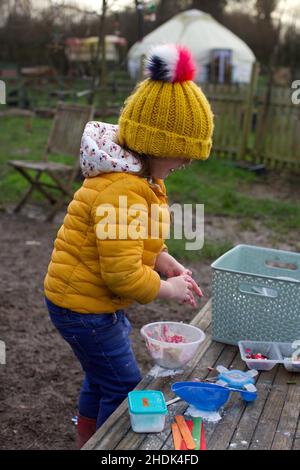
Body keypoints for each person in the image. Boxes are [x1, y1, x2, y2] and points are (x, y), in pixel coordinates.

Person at [44, 44, 214, 448]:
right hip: (83, 308)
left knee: (100, 375)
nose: (185, 163)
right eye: (182, 153)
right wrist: (165, 289)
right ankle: (106, 448)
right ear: (155, 143)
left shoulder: (141, 181)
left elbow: (129, 239)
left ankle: (87, 437)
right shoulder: (124, 190)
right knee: (122, 384)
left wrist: (162, 259)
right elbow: (120, 272)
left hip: (91, 303)